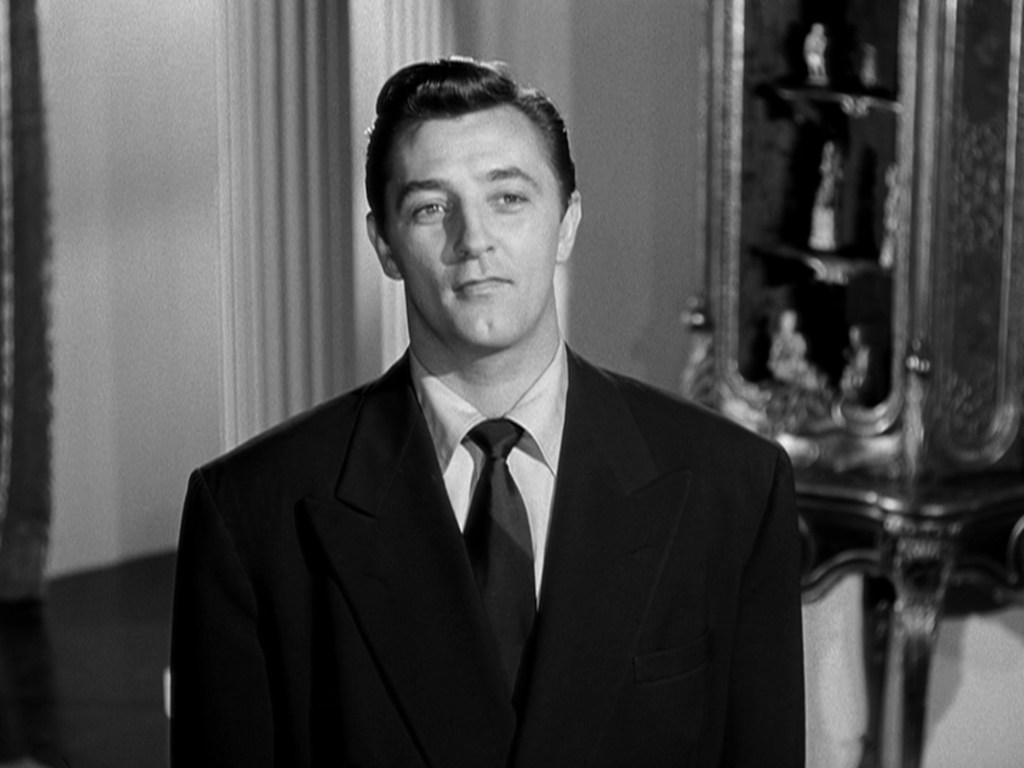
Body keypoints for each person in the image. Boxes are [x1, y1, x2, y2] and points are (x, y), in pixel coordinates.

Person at [170, 56, 805, 767]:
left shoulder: (735, 489)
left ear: (567, 222)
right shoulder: (253, 515)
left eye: (507, 198)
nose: (473, 239)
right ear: (384, 244)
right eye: (430, 208)